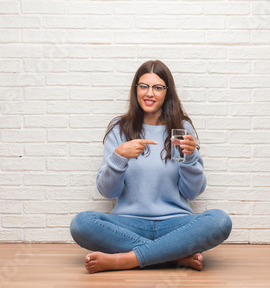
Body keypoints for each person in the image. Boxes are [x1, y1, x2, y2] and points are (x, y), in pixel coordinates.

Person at [70, 60, 232, 273]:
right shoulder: (119, 129)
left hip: (175, 224)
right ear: (135, 89)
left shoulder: (181, 128)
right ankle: (173, 256)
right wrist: (119, 157)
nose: (150, 93)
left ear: (167, 92)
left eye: (158, 87)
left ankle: (125, 259)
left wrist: (191, 158)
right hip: (127, 224)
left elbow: (192, 192)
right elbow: (107, 191)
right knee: (81, 223)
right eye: (144, 86)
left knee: (220, 220)